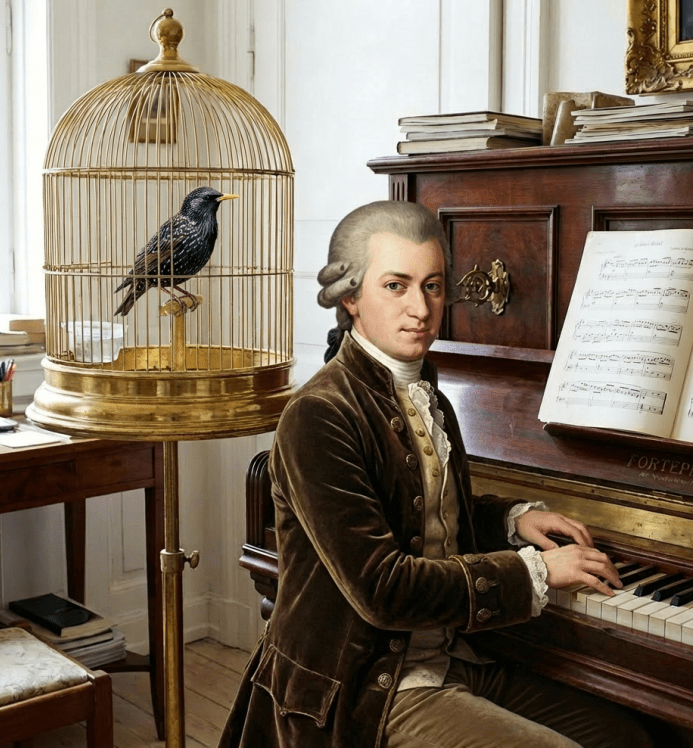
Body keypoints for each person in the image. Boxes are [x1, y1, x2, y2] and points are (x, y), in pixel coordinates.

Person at [218, 201, 655, 748]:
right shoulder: (319, 415)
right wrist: (535, 573)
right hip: (371, 690)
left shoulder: (429, 396)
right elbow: (384, 588)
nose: (420, 309)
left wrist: (512, 522)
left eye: (433, 286)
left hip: (452, 658)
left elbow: (422, 515)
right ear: (351, 297)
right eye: (396, 286)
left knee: (630, 738)